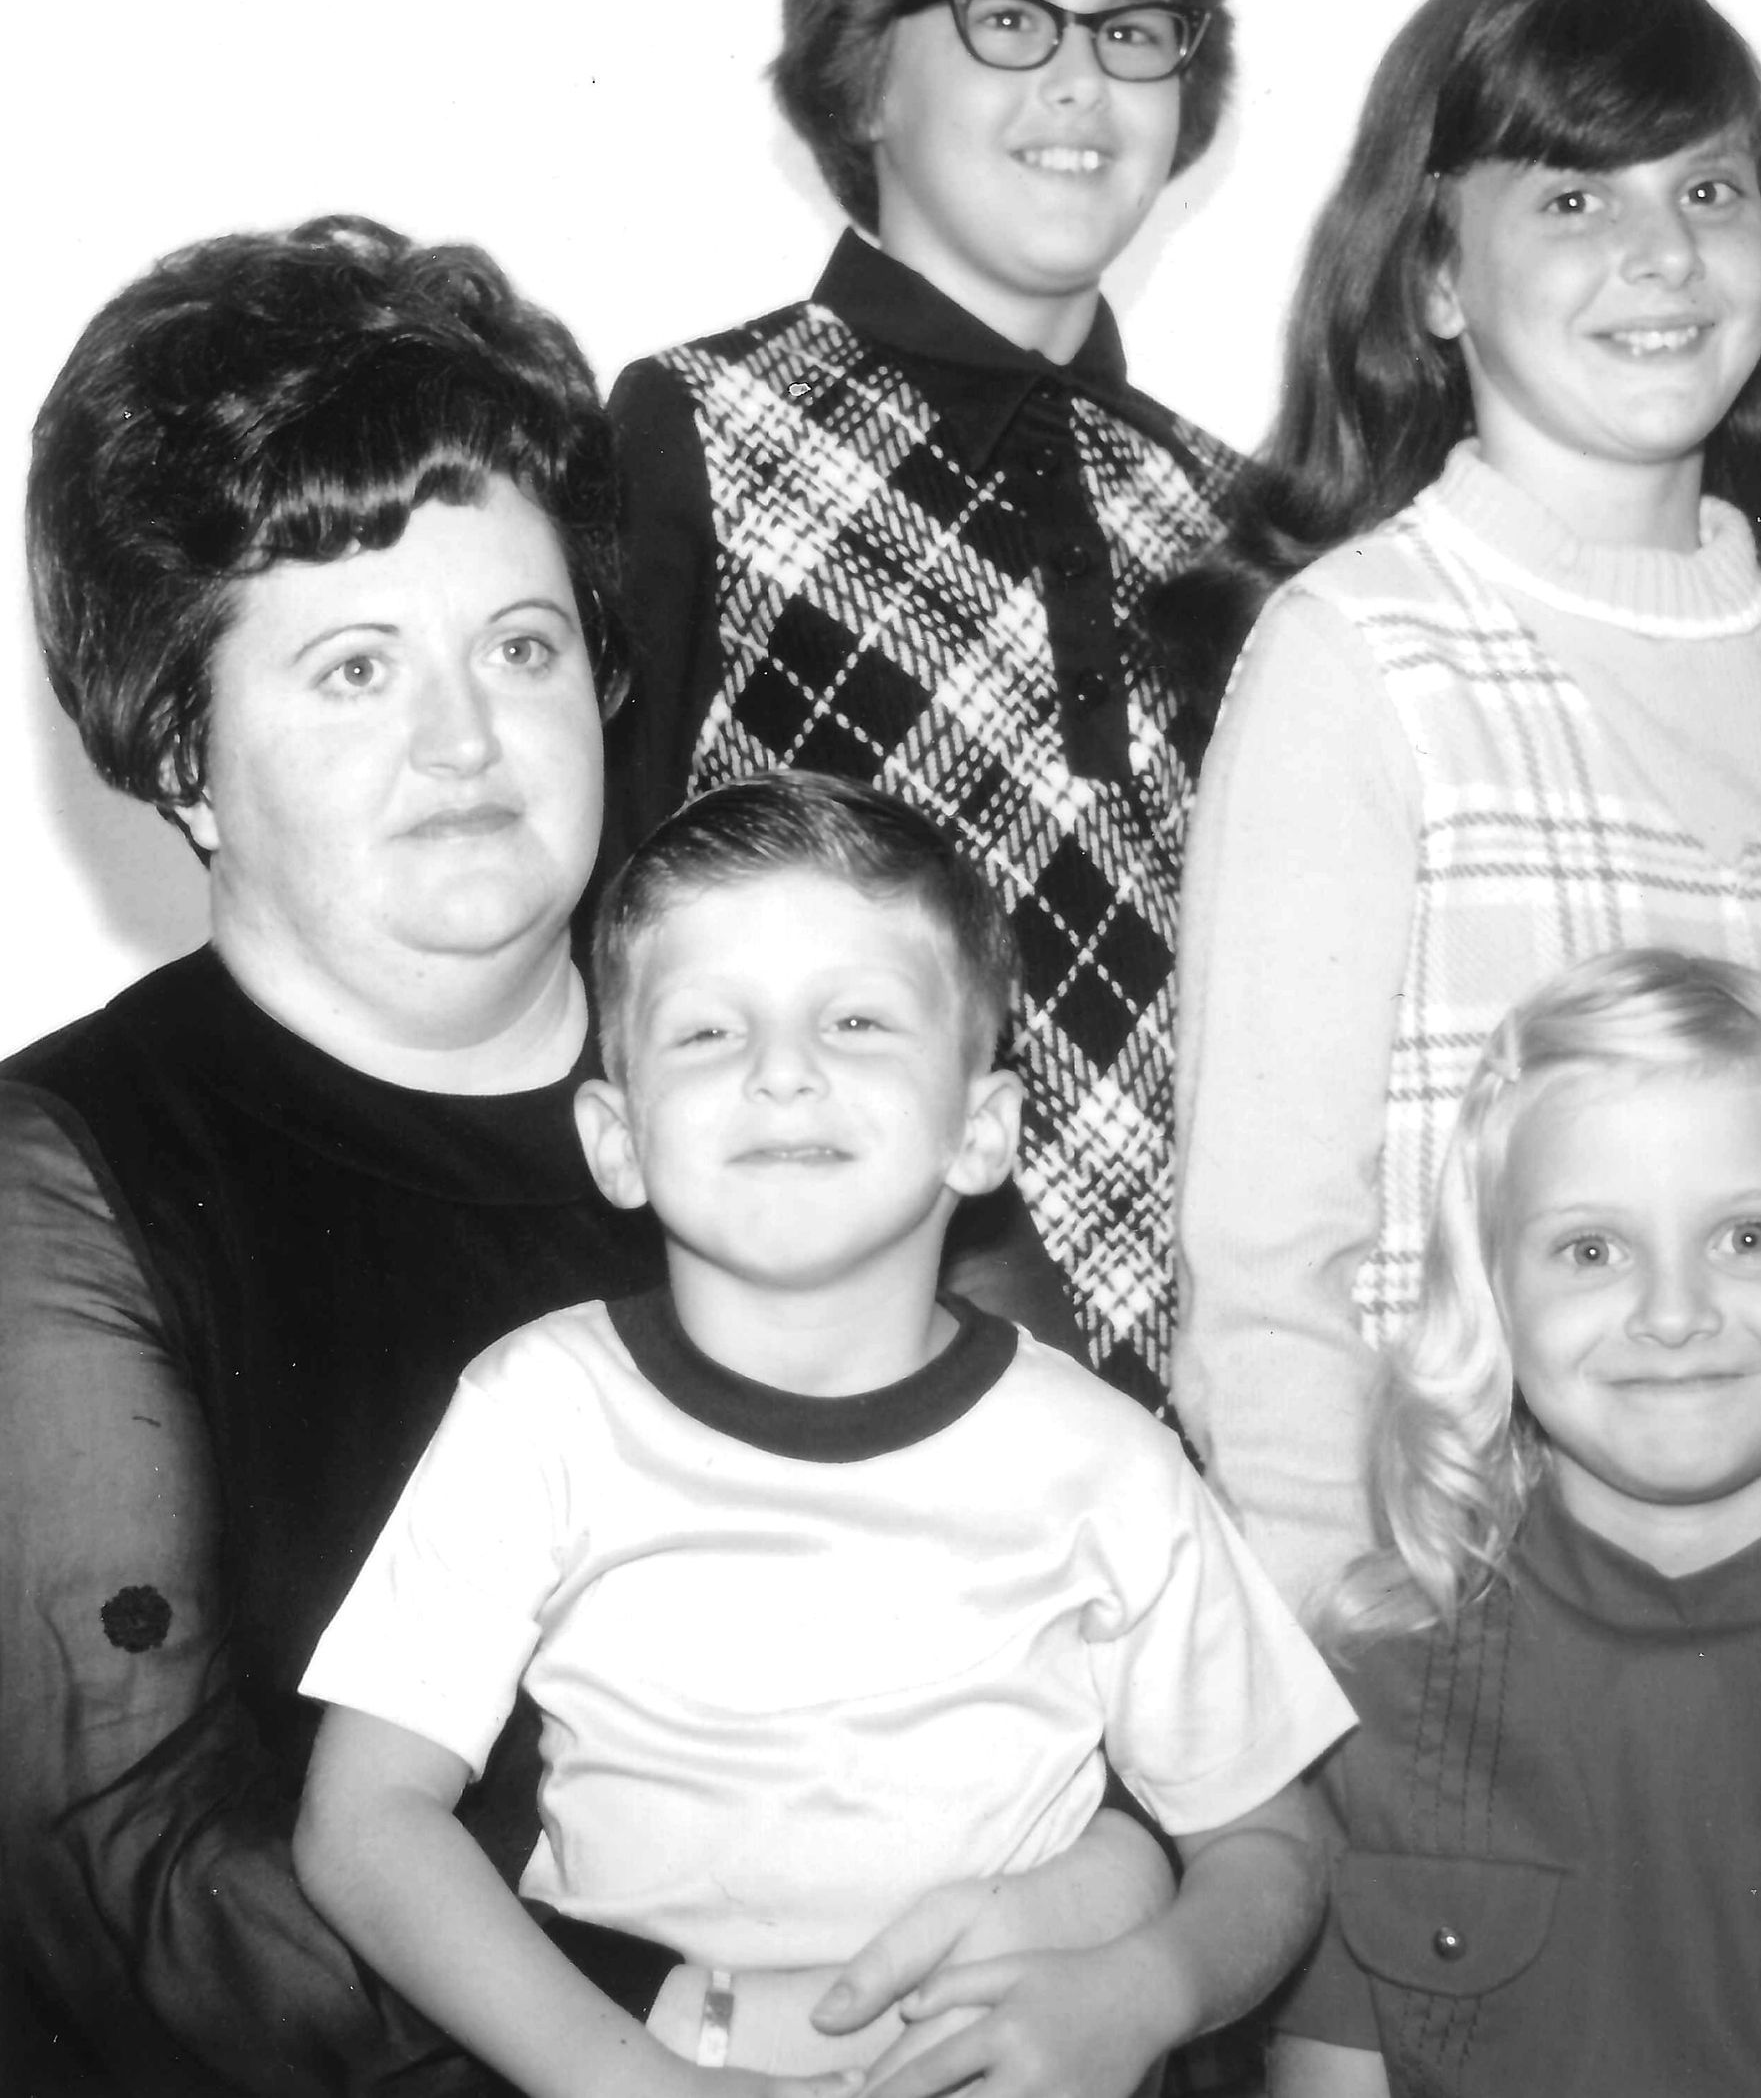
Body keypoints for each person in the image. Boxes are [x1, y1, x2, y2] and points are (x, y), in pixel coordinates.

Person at [0, 228, 1070, 2098]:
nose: (466, 737)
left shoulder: (813, 1073)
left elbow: (1107, 1627)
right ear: (179, 751)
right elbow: (144, 1879)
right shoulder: (62, 1183)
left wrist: (1095, 1962)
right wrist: (713, 2036)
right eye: (354, 669)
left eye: (520, 644)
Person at [295, 771, 1356, 2098]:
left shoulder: (1110, 1462)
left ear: (981, 1130)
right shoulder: (539, 1411)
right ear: (617, 1141)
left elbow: (1272, 1846)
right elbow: (363, 1822)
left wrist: (1142, 1993)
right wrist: (628, 2083)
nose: (783, 1070)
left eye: (855, 1020)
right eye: (706, 1032)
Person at [1170, 0, 1761, 1608]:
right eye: (1574, 200)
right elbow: (1267, 1274)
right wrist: (1358, 1669)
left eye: (1710, 190)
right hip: (1475, 1656)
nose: (1664, 253)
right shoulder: (1359, 660)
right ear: (1437, 274)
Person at [604, 0, 1244, 1415]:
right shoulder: (700, 428)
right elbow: (603, 940)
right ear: (862, 75)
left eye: (1134, 27)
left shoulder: (1235, 512)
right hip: (832, 1365)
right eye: (1009, 17)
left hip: (1201, 1390)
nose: (1082, 81)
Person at [1268, 948, 1761, 2096]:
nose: (1674, 1311)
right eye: (1592, 1249)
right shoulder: (1370, 1691)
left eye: (1748, 1236)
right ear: (1494, 1297)